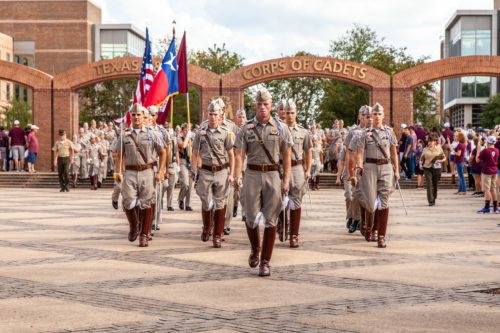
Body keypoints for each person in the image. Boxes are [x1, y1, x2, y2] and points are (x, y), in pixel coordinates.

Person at [234, 88, 292, 276]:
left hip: (273, 175)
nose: (262, 108)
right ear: (255, 106)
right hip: (252, 173)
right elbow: (239, 154)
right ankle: (255, 249)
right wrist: (237, 175)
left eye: (265, 104)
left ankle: (265, 262)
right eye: (259, 104)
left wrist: (286, 180)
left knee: (271, 218)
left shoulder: (281, 128)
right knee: (250, 216)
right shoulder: (246, 129)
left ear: (271, 106)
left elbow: (287, 155)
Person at [113, 103, 167, 247]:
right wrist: (118, 171)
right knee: (128, 202)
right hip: (130, 172)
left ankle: (144, 234)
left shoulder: (151, 133)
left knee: (146, 203)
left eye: (139, 115)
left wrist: (161, 170)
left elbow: (163, 152)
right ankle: (134, 226)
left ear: (144, 117)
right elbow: (119, 155)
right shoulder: (124, 134)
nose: (136, 117)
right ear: (130, 117)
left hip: (147, 171)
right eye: (134, 115)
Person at [348, 103, 399, 248]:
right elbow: (359, 152)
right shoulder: (364, 133)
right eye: (373, 115)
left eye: (379, 114)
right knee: (370, 204)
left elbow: (394, 152)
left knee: (384, 202)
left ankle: (381, 236)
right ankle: (368, 226)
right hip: (369, 167)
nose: (376, 117)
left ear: (383, 116)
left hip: (386, 167)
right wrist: (359, 166)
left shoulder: (389, 132)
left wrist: (396, 170)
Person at [191, 99, 235, 248]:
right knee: (205, 199)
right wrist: (194, 169)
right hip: (205, 170)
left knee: (220, 203)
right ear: (207, 114)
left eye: (215, 114)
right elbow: (195, 152)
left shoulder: (226, 133)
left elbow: (231, 154)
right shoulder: (201, 132)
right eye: (210, 114)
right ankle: (206, 226)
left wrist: (232, 173)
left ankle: (217, 235)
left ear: (220, 115)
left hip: (222, 170)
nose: (213, 117)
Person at [281, 99, 312, 248]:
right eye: (287, 112)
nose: (290, 115)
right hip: (281, 169)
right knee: (278, 200)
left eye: (292, 112)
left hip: (297, 168)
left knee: (296, 202)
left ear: (296, 113)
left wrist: (308, 170)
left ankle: (294, 235)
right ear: (283, 114)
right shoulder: (278, 129)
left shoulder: (303, 132)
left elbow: (308, 151)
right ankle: (281, 225)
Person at [420, 135, 446, 206]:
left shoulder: (439, 149)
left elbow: (444, 157)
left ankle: (434, 197)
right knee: (428, 184)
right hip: (427, 168)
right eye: (429, 141)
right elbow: (421, 158)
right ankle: (430, 200)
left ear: (435, 142)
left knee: (435, 185)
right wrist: (420, 165)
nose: (429, 143)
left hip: (436, 168)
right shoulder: (425, 149)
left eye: (431, 141)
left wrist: (440, 161)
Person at [477, 136, 499, 214]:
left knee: (487, 189)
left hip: (486, 171)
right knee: (493, 189)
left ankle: (487, 207)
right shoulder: (497, 150)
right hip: (494, 171)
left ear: (488, 142)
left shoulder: (485, 151)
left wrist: (478, 149)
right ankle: (495, 207)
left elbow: (477, 160)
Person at [177, 123, 194, 211]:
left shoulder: (193, 138)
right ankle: (180, 199)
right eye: (185, 129)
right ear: (182, 130)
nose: (187, 131)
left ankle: (187, 204)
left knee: (190, 186)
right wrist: (187, 137)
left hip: (192, 163)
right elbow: (182, 145)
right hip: (183, 162)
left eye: (189, 129)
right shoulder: (179, 138)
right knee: (185, 184)